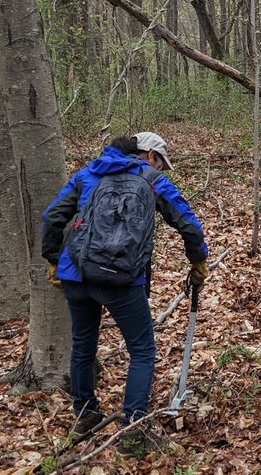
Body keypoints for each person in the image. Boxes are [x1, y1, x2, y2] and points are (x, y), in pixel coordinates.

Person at [41, 131, 209, 456]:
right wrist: (198, 261)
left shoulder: (88, 173)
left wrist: (52, 260)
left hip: (76, 274)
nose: (159, 166)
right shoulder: (151, 179)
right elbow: (187, 223)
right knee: (143, 350)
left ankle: (85, 413)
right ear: (148, 155)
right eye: (159, 160)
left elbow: (52, 217)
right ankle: (132, 429)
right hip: (121, 279)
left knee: (83, 345)